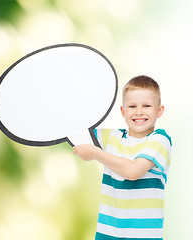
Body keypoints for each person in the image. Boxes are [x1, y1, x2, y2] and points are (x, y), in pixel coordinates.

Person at [73, 75, 172, 240]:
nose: (139, 112)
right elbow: (78, 130)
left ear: (159, 110)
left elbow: (133, 171)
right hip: (107, 234)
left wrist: (95, 153)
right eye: (132, 106)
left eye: (147, 105)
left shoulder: (160, 140)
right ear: (123, 111)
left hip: (144, 235)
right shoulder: (111, 137)